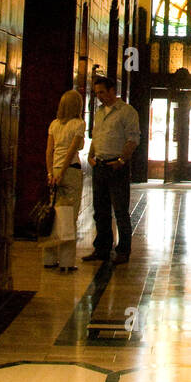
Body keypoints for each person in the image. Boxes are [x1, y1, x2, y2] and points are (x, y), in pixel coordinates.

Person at [83, 75, 140, 265]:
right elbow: (96, 136)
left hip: (116, 166)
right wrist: (91, 156)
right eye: (96, 92)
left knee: (120, 210)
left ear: (111, 91)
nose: (98, 96)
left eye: (101, 92)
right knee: (100, 210)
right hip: (99, 165)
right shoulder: (99, 112)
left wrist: (122, 160)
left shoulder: (126, 112)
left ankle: (123, 250)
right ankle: (102, 248)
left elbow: (133, 139)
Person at [44, 89, 85, 273]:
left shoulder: (53, 124)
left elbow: (49, 151)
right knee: (69, 215)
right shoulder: (78, 124)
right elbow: (72, 150)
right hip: (71, 171)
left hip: (54, 170)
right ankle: (67, 262)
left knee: (53, 214)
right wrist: (64, 171)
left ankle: (49, 257)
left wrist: (51, 173)